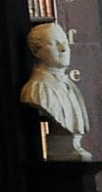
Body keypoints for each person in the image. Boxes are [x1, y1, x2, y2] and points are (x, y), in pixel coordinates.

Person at [22, 21, 92, 161]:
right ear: (36, 51)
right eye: (54, 44)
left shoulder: (70, 86)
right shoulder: (36, 90)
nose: (64, 48)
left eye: (65, 41)